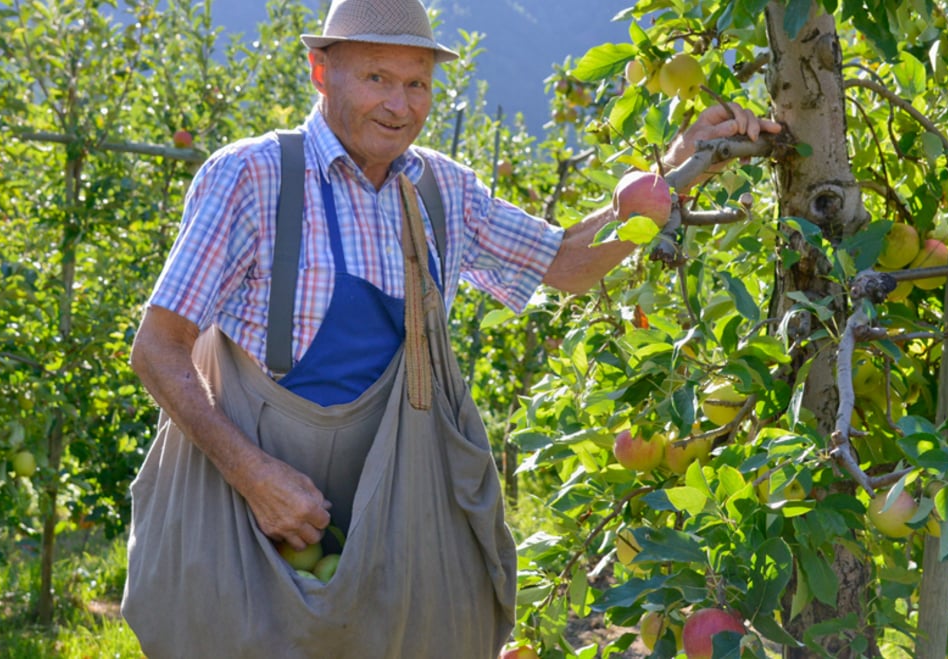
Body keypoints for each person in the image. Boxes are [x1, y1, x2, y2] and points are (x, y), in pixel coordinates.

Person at [123, 0, 780, 656]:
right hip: (259, 504)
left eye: (417, 84)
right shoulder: (251, 177)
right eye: (377, 77)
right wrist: (255, 476)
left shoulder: (441, 188)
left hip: (397, 490)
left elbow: (568, 261)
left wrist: (682, 165)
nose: (400, 104)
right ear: (321, 72)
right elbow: (158, 349)